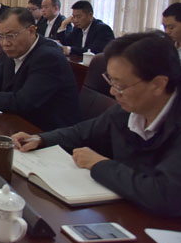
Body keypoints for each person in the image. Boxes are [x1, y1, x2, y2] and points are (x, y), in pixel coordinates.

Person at [12, 31, 181, 217]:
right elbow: (83, 132)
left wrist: (99, 164)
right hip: (126, 211)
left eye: (120, 85)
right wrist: (41, 139)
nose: (112, 91)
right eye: (111, 80)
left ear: (158, 84)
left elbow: (165, 194)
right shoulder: (127, 111)